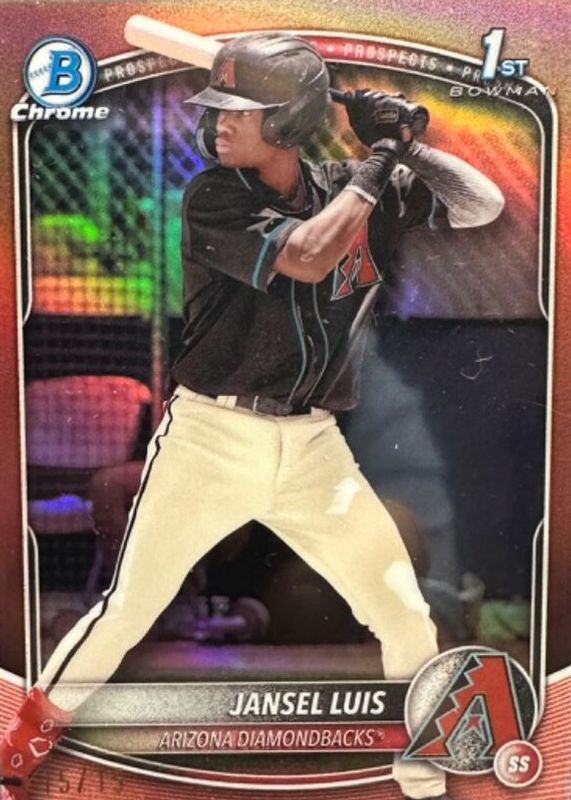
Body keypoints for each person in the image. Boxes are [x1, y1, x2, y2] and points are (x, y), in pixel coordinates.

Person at [0, 32, 504, 800]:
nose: (219, 123)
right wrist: (378, 160)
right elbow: (307, 254)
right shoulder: (216, 195)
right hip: (210, 437)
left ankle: (420, 772)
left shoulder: (354, 184)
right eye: (218, 108)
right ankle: (17, 753)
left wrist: (406, 142)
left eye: (240, 109)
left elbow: (481, 204)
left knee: (403, 611)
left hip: (313, 446)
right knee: (126, 611)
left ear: (290, 120)